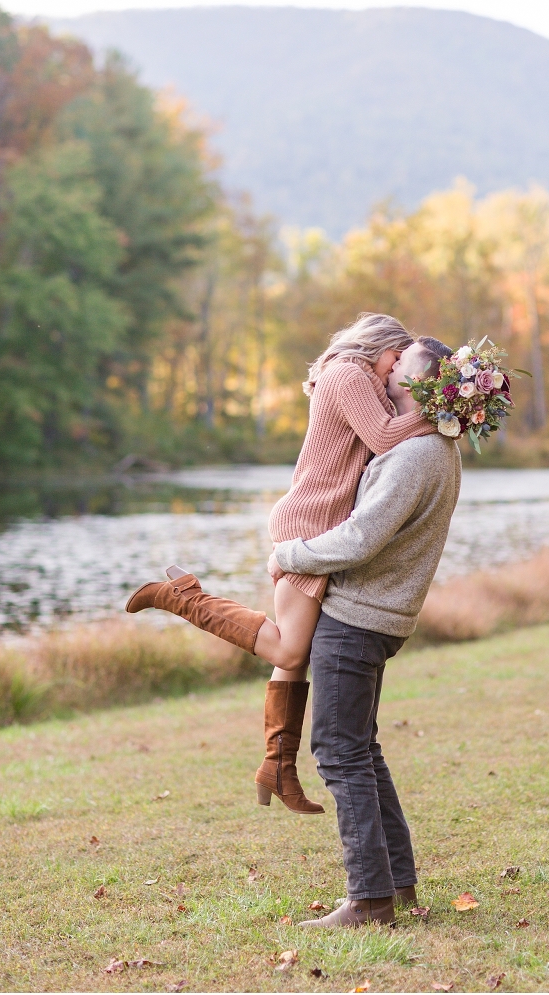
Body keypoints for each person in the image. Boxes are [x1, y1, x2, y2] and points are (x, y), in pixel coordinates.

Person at [124, 314, 436, 814]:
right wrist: (445, 414)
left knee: (292, 651)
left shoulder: (363, 380)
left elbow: (386, 433)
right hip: (308, 521)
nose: (397, 366)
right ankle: (183, 597)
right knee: (290, 651)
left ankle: (278, 766)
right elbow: (383, 438)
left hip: (324, 527)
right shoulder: (347, 374)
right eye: (396, 356)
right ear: (377, 345)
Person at [269, 336, 461, 928]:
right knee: (362, 749)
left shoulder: (415, 456)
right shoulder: (434, 449)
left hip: (357, 618)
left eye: (400, 362)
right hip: (378, 616)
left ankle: (369, 900)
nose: (388, 365)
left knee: (339, 751)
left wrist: (290, 552)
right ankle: (396, 885)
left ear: (417, 383)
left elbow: (359, 539)